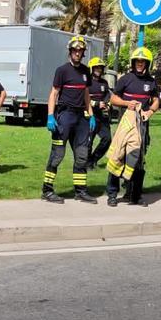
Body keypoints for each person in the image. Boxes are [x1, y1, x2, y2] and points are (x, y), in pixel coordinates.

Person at [42, 36, 97, 203]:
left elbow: (86, 94)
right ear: (70, 51)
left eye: (80, 51)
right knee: (57, 155)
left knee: (82, 156)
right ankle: (47, 191)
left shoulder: (86, 71)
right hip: (65, 116)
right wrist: (51, 116)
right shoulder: (62, 70)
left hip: (81, 118)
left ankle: (80, 191)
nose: (78, 53)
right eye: (75, 50)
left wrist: (91, 113)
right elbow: (54, 93)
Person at [107, 46, 160, 206]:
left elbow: (156, 100)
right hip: (125, 125)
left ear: (147, 63)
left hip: (142, 127)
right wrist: (126, 103)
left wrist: (150, 112)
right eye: (137, 61)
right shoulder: (126, 79)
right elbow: (113, 99)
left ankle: (135, 195)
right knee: (118, 156)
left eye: (143, 61)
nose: (140, 63)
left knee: (139, 160)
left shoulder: (151, 82)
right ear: (133, 62)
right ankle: (112, 194)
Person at [86, 57, 112, 169]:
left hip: (102, 117)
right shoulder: (87, 82)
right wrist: (96, 104)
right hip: (89, 116)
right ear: (91, 68)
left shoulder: (104, 83)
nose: (98, 70)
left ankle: (93, 159)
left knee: (107, 139)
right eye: (96, 67)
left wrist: (108, 105)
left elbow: (108, 97)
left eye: (100, 68)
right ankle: (86, 163)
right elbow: (83, 99)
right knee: (89, 142)